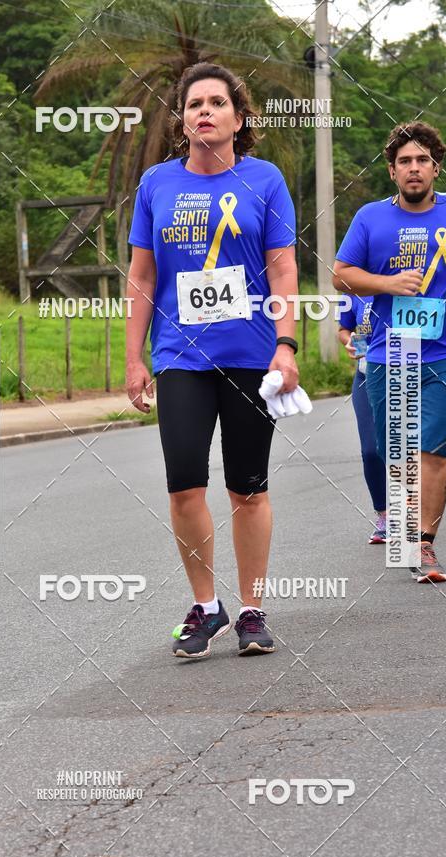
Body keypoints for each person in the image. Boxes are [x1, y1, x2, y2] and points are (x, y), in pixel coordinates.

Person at [125, 62, 299, 658]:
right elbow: (143, 275)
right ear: (183, 120)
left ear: (238, 117)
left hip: (250, 354)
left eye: (216, 103)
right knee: (183, 485)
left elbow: (282, 267)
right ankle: (206, 606)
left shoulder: (266, 180)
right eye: (194, 103)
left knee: (248, 488)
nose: (204, 110)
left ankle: (252, 608)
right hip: (179, 356)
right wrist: (133, 357)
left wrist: (286, 342)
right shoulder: (156, 185)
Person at [333, 121, 446, 583]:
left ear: (436, 168)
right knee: (398, 453)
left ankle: (423, 543)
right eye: (405, 161)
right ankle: (404, 530)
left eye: (422, 160)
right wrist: (385, 283)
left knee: (434, 451)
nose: (414, 168)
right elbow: (341, 275)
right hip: (390, 352)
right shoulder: (369, 218)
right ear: (392, 171)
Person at [338, 295, 387, 542]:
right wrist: (350, 343)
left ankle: (414, 514)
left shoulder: (402, 276)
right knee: (371, 449)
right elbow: (344, 329)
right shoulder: (352, 288)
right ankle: (385, 514)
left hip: (406, 371)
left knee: (409, 448)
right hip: (366, 375)